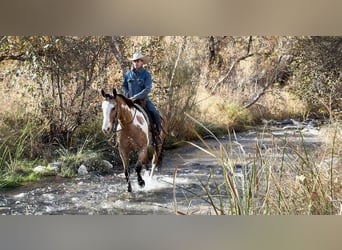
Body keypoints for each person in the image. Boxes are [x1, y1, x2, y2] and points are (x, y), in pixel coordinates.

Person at [122, 52, 162, 144]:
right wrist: (128, 95)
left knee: (155, 113)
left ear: (142, 62)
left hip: (143, 101)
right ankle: (117, 137)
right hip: (129, 101)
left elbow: (147, 89)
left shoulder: (146, 75)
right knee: (118, 112)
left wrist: (135, 97)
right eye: (134, 61)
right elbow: (124, 86)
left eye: (138, 61)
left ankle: (157, 134)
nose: (136, 63)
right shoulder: (128, 74)